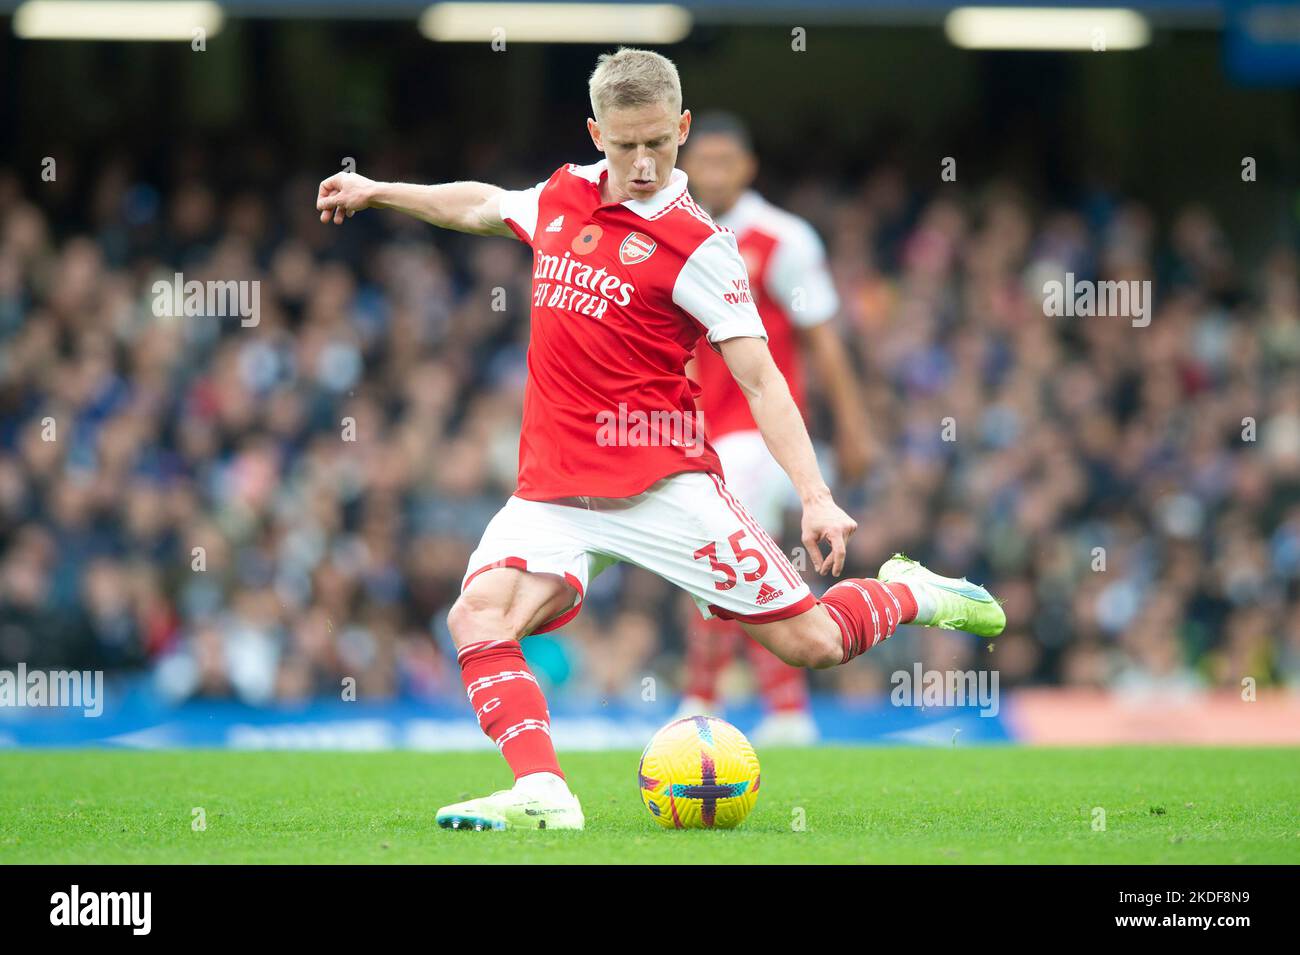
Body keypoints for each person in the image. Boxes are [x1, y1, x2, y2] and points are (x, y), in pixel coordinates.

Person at [316, 47, 1004, 832]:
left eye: (658, 144)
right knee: (478, 616)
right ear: (595, 133)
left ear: (680, 127)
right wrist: (378, 190)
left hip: (663, 488)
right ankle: (544, 791)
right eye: (623, 145)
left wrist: (816, 496)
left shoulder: (700, 245)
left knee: (811, 642)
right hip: (553, 492)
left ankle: (913, 589)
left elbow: (762, 379)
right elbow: (478, 205)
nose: (642, 165)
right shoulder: (563, 195)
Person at [676, 111, 870, 745]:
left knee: (731, 555)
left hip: (758, 433)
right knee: (718, 561)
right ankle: (746, 704)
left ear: (748, 167)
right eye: (703, 161)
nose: (714, 172)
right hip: (700, 433)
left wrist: (854, 429)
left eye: (725, 161)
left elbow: (823, 339)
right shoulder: (675, 234)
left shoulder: (782, 239)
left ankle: (761, 707)